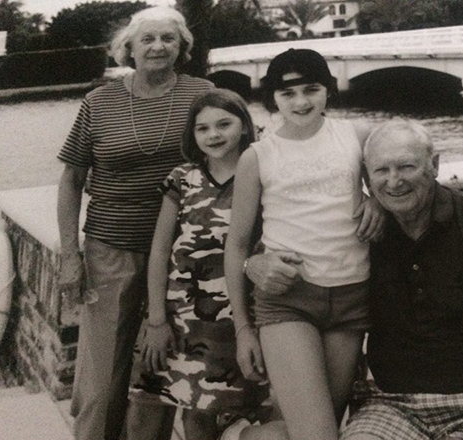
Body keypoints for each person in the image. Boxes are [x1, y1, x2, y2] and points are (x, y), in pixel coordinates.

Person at [246, 120, 463, 440]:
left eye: (406, 167)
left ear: (434, 165)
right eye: (381, 171)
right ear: (366, 177)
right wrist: (255, 262)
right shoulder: (360, 233)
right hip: (394, 406)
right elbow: (292, 242)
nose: (394, 181)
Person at [56, 6, 214, 440]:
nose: (158, 46)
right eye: (147, 39)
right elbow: (71, 179)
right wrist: (70, 255)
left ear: (182, 47)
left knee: (165, 377)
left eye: (168, 38)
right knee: (103, 379)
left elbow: (238, 163)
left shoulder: (202, 94)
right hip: (112, 251)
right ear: (128, 48)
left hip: (188, 255)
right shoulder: (100, 101)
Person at [223, 48, 384, 440]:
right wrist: (244, 329)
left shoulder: (357, 137)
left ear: (328, 90)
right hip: (288, 298)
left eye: (311, 89)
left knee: (304, 430)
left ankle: (242, 437)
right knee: (318, 435)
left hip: (350, 297)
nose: (301, 102)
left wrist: (378, 200)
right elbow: (238, 243)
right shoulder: (257, 156)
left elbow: (405, 176)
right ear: (273, 99)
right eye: (287, 93)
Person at [125, 89, 271, 440]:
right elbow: (160, 251)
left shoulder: (262, 176)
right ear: (192, 134)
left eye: (224, 124)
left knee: (202, 420)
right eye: (202, 128)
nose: (214, 135)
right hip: (175, 318)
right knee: (145, 411)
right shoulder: (183, 178)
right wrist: (156, 319)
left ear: (245, 127)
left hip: (228, 321)